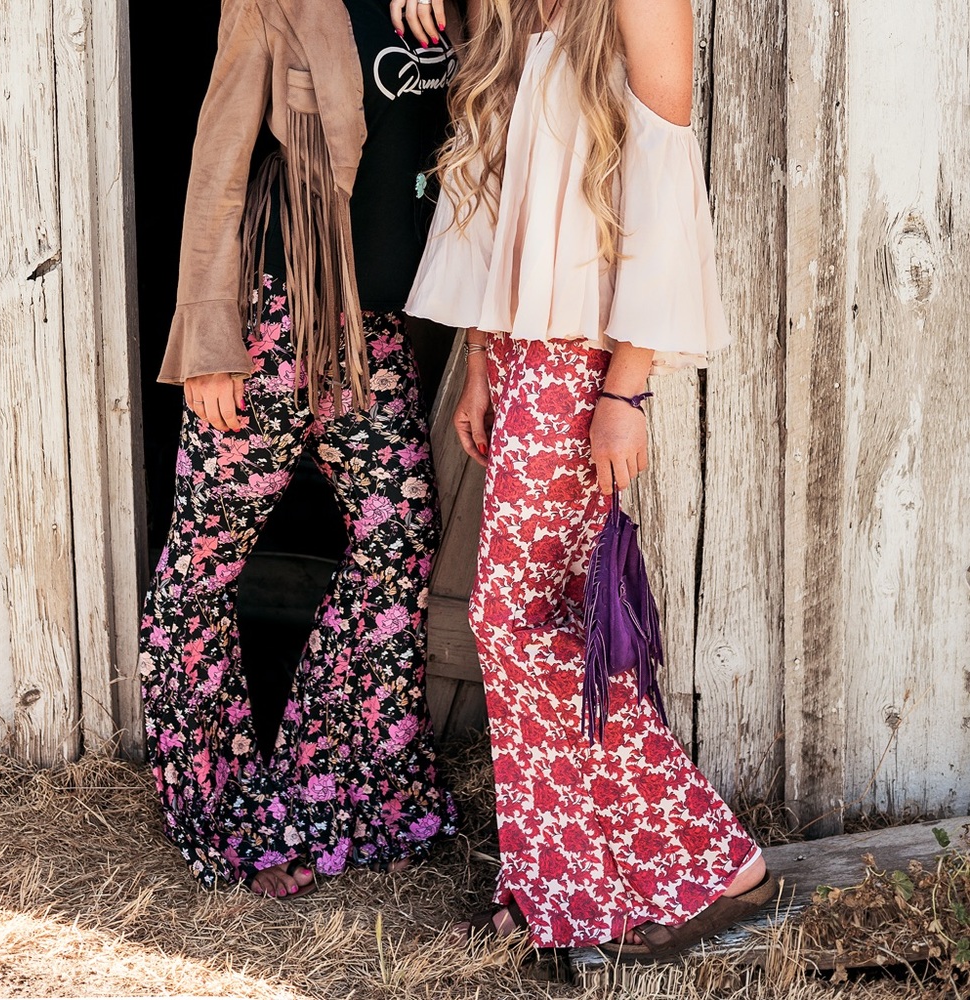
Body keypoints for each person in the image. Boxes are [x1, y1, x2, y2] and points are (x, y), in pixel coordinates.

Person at [406, 0, 775, 963]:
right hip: (522, 350)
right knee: (549, 620)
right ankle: (558, 884)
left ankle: (711, 858)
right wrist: (483, 358)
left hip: (584, 358)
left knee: (509, 620)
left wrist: (630, 387)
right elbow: (485, 171)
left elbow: (661, 175)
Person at [137, 0, 463, 899]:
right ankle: (223, 808)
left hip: (370, 328)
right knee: (204, 564)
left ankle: (336, 791)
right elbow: (218, 161)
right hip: (275, 313)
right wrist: (208, 342)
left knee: (398, 542)